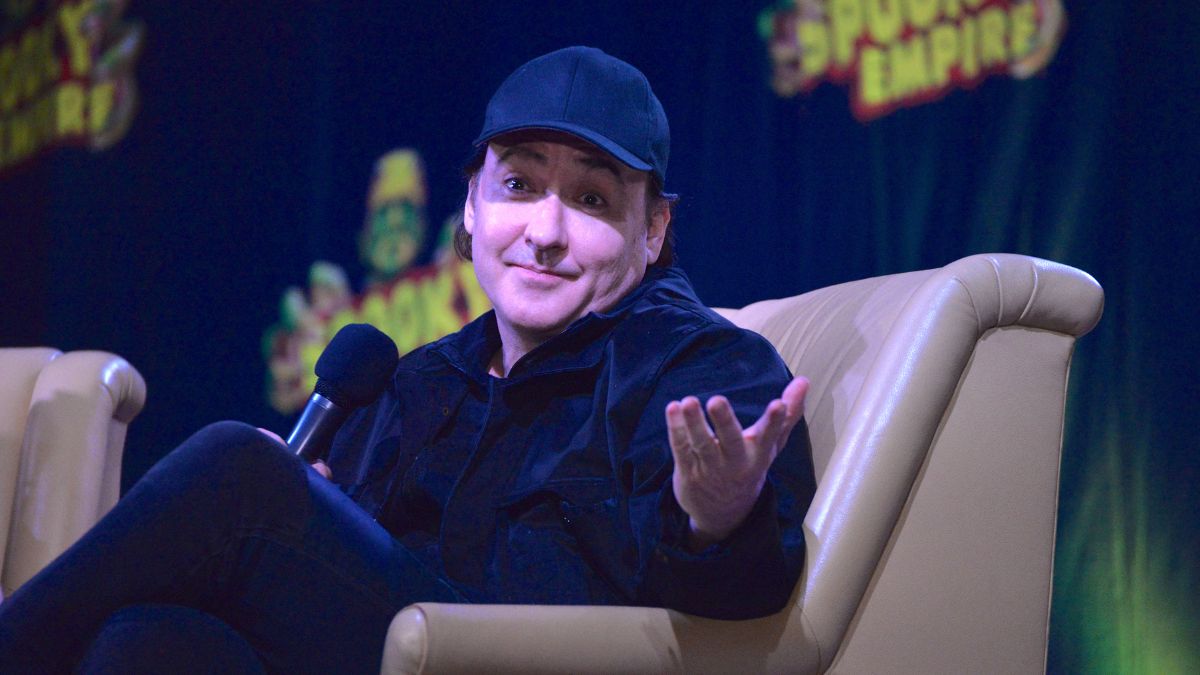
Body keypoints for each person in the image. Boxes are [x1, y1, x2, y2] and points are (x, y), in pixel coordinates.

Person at [0, 46, 816, 673]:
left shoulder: (704, 366)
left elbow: (740, 612)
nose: (545, 231)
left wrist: (718, 519)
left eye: (592, 199)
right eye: (520, 186)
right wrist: (324, 509)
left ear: (654, 230)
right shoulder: (418, 380)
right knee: (146, 641)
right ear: (472, 204)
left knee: (240, 471)